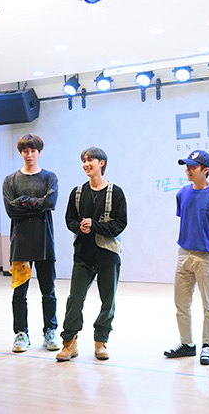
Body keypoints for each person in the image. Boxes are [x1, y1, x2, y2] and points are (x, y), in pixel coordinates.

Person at [57, 147, 127, 362]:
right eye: (84, 161)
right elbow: (69, 219)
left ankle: (101, 341)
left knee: (108, 301)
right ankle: (69, 342)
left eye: (91, 160)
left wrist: (95, 226)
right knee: (75, 299)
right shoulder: (77, 192)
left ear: (101, 163)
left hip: (108, 256)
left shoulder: (116, 192)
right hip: (83, 256)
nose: (86, 164)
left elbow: (120, 223)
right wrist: (79, 227)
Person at [164, 150, 209, 366]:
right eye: (187, 167)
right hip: (184, 253)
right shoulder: (182, 193)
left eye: (193, 167)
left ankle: (207, 346)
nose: (188, 171)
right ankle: (187, 344)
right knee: (181, 303)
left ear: (206, 170)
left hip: (207, 256)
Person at [2, 134, 60, 353]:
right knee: (19, 293)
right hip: (20, 244)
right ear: (20, 153)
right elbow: (11, 209)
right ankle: (21, 333)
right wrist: (38, 204)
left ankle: (50, 331)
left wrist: (23, 201)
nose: (29, 155)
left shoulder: (49, 177)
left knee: (48, 291)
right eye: (25, 151)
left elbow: (50, 202)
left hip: (45, 242)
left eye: (33, 151)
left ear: (39, 152)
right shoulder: (10, 180)